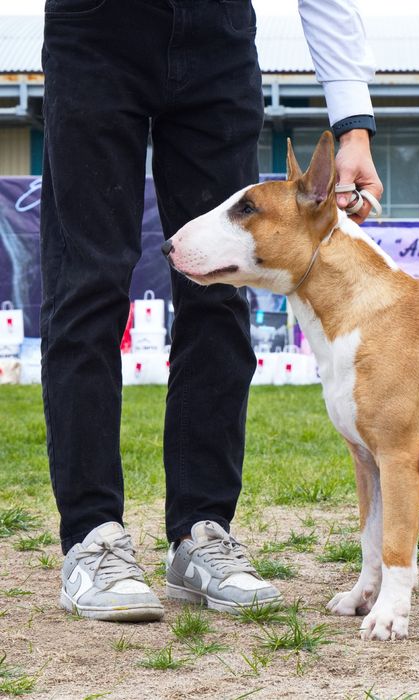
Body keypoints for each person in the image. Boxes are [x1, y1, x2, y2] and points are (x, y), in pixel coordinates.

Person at [41, 0, 382, 622]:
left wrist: (352, 122)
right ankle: (92, 538)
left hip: (217, 38)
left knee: (221, 287)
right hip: (96, 29)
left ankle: (202, 533)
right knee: (88, 285)